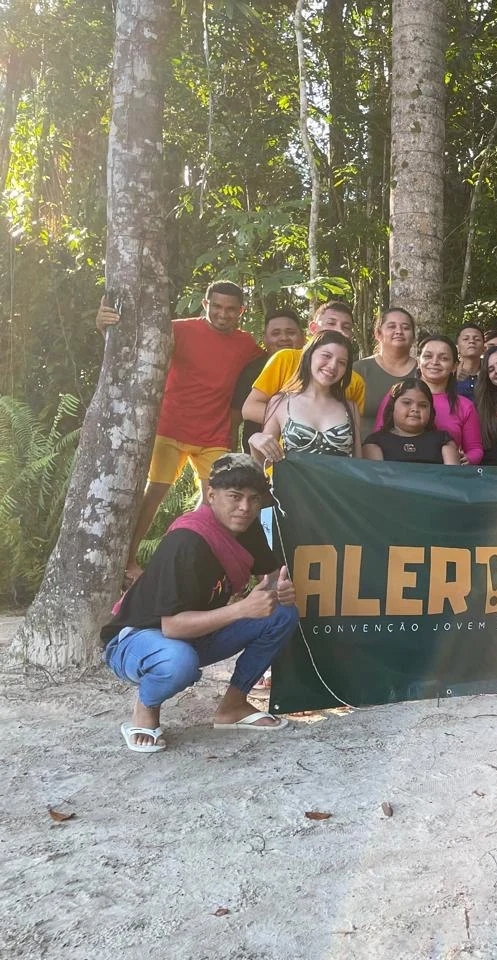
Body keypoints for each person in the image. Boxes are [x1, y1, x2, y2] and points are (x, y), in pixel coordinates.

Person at [102, 453, 297, 752]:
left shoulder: (247, 527)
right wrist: (241, 609)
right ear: (211, 495)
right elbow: (172, 627)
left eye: (253, 499)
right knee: (178, 661)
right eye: (235, 496)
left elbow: (271, 577)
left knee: (283, 613)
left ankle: (233, 706)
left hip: (197, 633)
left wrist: (279, 590)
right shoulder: (186, 541)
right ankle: (145, 708)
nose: (245, 508)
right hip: (139, 638)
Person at [96, 281, 265, 585]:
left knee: (216, 504)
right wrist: (103, 325)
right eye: (216, 306)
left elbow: (276, 360)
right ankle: (127, 561)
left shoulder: (245, 344)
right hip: (170, 427)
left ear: (241, 311)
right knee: (154, 493)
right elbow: (132, 343)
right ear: (205, 304)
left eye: (231, 309)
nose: (223, 314)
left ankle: (191, 565)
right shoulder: (178, 329)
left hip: (214, 434)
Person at [241, 300, 367, 434]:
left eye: (346, 327)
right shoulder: (286, 359)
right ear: (313, 328)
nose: (339, 330)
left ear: (351, 336)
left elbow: (353, 431)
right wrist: (298, 424)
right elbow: (250, 408)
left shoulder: (355, 381)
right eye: (331, 323)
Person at [249, 331, 362, 462]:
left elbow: (358, 465)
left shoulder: (351, 408)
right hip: (291, 476)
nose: (333, 366)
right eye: (326, 356)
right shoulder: (280, 402)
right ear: (309, 355)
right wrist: (254, 440)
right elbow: (263, 464)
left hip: (340, 476)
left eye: (341, 362)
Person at [381, 334, 483, 465]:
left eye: (444, 358)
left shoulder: (464, 406)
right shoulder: (397, 394)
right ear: (418, 361)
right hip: (397, 470)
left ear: (454, 366)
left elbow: (475, 449)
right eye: (428, 356)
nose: (435, 362)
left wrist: (468, 459)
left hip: (446, 473)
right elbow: (379, 435)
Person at [231, 307, 305, 453]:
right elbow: (235, 419)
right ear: (264, 339)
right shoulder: (252, 371)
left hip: (307, 454)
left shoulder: (318, 368)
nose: (284, 338)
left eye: (290, 333)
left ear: (303, 337)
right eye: (276, 333)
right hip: (258, 454)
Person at [353, 307, 417, 440]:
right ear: (378, 334)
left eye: (406, 328)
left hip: (414, 449)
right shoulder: (359, 370)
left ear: (413, 337)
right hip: (364, 448)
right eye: (391, 326)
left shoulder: (424, 371)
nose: (399, 331)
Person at [362, 379, 459, 464]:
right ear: (392, 407)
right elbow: (377, 477)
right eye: (407, 403)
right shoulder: (375, 442)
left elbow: (451, 476)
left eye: (423, 405)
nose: (415, 409)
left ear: (431, 411)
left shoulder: (444, 441)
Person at [455, 323, 485, 399]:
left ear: (484, 348)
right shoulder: (448, 375)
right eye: (466, 339)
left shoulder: (491, 374)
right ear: (457, 348)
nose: (472, 341)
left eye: (477, 339)